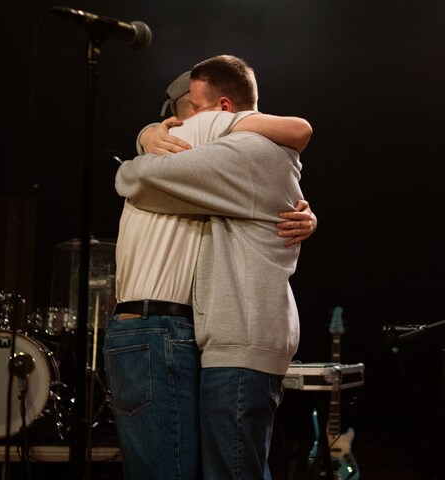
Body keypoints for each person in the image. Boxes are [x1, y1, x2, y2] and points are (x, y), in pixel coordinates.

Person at [104, 66, 314, 479]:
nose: (176, 126)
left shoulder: (220, 137)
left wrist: (140, 148)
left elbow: (134, 177)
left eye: (187, 113)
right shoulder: (218, 156)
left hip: (195, 331)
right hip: (175, 329)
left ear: (221, 109)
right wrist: (146, 135)